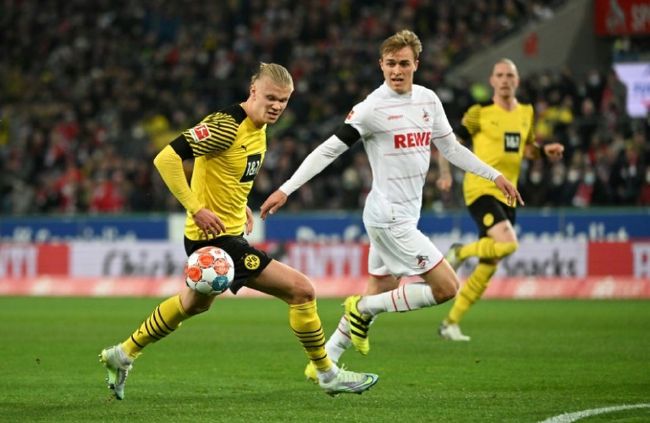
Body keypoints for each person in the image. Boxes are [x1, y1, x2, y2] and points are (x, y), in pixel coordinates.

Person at [99, 63, 379, 400]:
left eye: (284, 100)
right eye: (271, 98)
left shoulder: (259, 127)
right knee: (302, 291)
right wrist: (195, 207)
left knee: (193, 304)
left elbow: (225, 172)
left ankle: (123, 353)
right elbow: (166, 159)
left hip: (225, 231)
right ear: (253, 92)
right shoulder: (225, 126)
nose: (277, 106)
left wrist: (237, 205)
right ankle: (326, 372)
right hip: (215, 239)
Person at [260, 31, 523, 378]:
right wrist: (286, 188)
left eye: (403, 63)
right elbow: (329, 149)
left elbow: (452, 150)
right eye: (390, 63)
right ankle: (363, 309)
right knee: (445, 288)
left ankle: (323, 363)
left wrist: (494, 176)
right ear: (380, 65)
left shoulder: (428, 101)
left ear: (416, 64)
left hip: (405, 214)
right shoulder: (371, 108)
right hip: (388, 217)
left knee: (383, 287)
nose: (396, 70)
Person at [438, 58, 564, 341]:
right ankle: (459, 253)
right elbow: (448, 143)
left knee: (490, 262)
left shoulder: (526, 113)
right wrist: (445, 172)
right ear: (492, 81)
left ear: (516, 81)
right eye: (500, 75)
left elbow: (527, 150)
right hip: (481, 188)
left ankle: (450, 323)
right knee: (507, 243)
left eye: (510, 75)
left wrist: (545, 152)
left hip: (509, 192)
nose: (505, 79)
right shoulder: (478, 113)